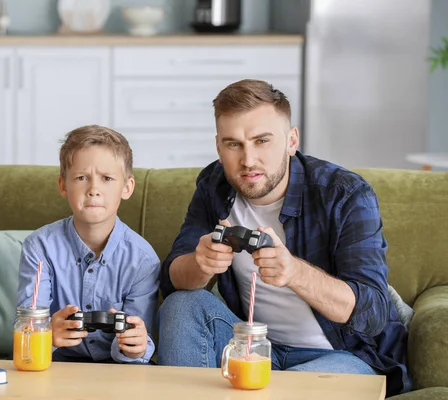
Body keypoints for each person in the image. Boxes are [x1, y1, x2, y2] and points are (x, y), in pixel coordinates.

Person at [158, 80, 410, 396]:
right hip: (254, 349)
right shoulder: (214, 184)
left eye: (262, 141)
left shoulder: (345, 194)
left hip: (339, 356)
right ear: (219, 146)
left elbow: (371, 313)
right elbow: (172, 280)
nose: (248, 160)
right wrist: (200, 264)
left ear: (291, 141)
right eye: (233, 144)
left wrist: (294, 272)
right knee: (182, 306)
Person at [17, 125, 160, 364]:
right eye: (82, 178)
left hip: (117, 371)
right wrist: (46, 334)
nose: (94, 190)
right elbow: (26, 333)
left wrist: (136, 347)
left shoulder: (143, 260)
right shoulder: (39, 248)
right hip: (56, 365)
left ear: (127, 187)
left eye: (107, 179)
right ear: (63, 185)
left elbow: (140, 340)